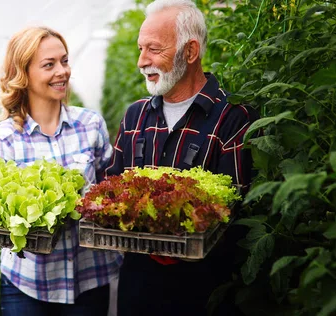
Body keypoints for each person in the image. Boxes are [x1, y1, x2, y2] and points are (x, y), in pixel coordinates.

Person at [104, 0, 259, 315]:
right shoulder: (135, 116)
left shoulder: (232, 118)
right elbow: (112, 188)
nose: (141, 61)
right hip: (137, 287)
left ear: (190, 52)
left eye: (154, 50)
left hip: (201, 292)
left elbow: (239, 218)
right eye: (139, 48)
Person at [0, 26, 123, 316]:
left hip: (90, 276)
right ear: (24, 74)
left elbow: (110, 188)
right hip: (27, 282)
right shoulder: (3, 139)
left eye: (65, 60)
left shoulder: (90, 125)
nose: (62, 71)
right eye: (49, 65)